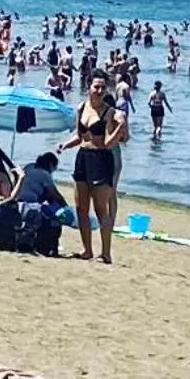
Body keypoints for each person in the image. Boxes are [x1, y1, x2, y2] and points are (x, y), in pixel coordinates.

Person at [59, 72, 127, 263]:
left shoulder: (110, 113)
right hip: (83, 158)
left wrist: (120, 129)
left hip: (101, 159)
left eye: (103, 88)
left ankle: (105, 253)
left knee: (100, 209)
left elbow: (107, 143)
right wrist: (65, 144)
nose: (99, 91)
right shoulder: (81, 108)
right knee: (81, 208)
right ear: (88, 87)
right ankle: (87, 250)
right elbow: (80, 137)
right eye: (96, 87)